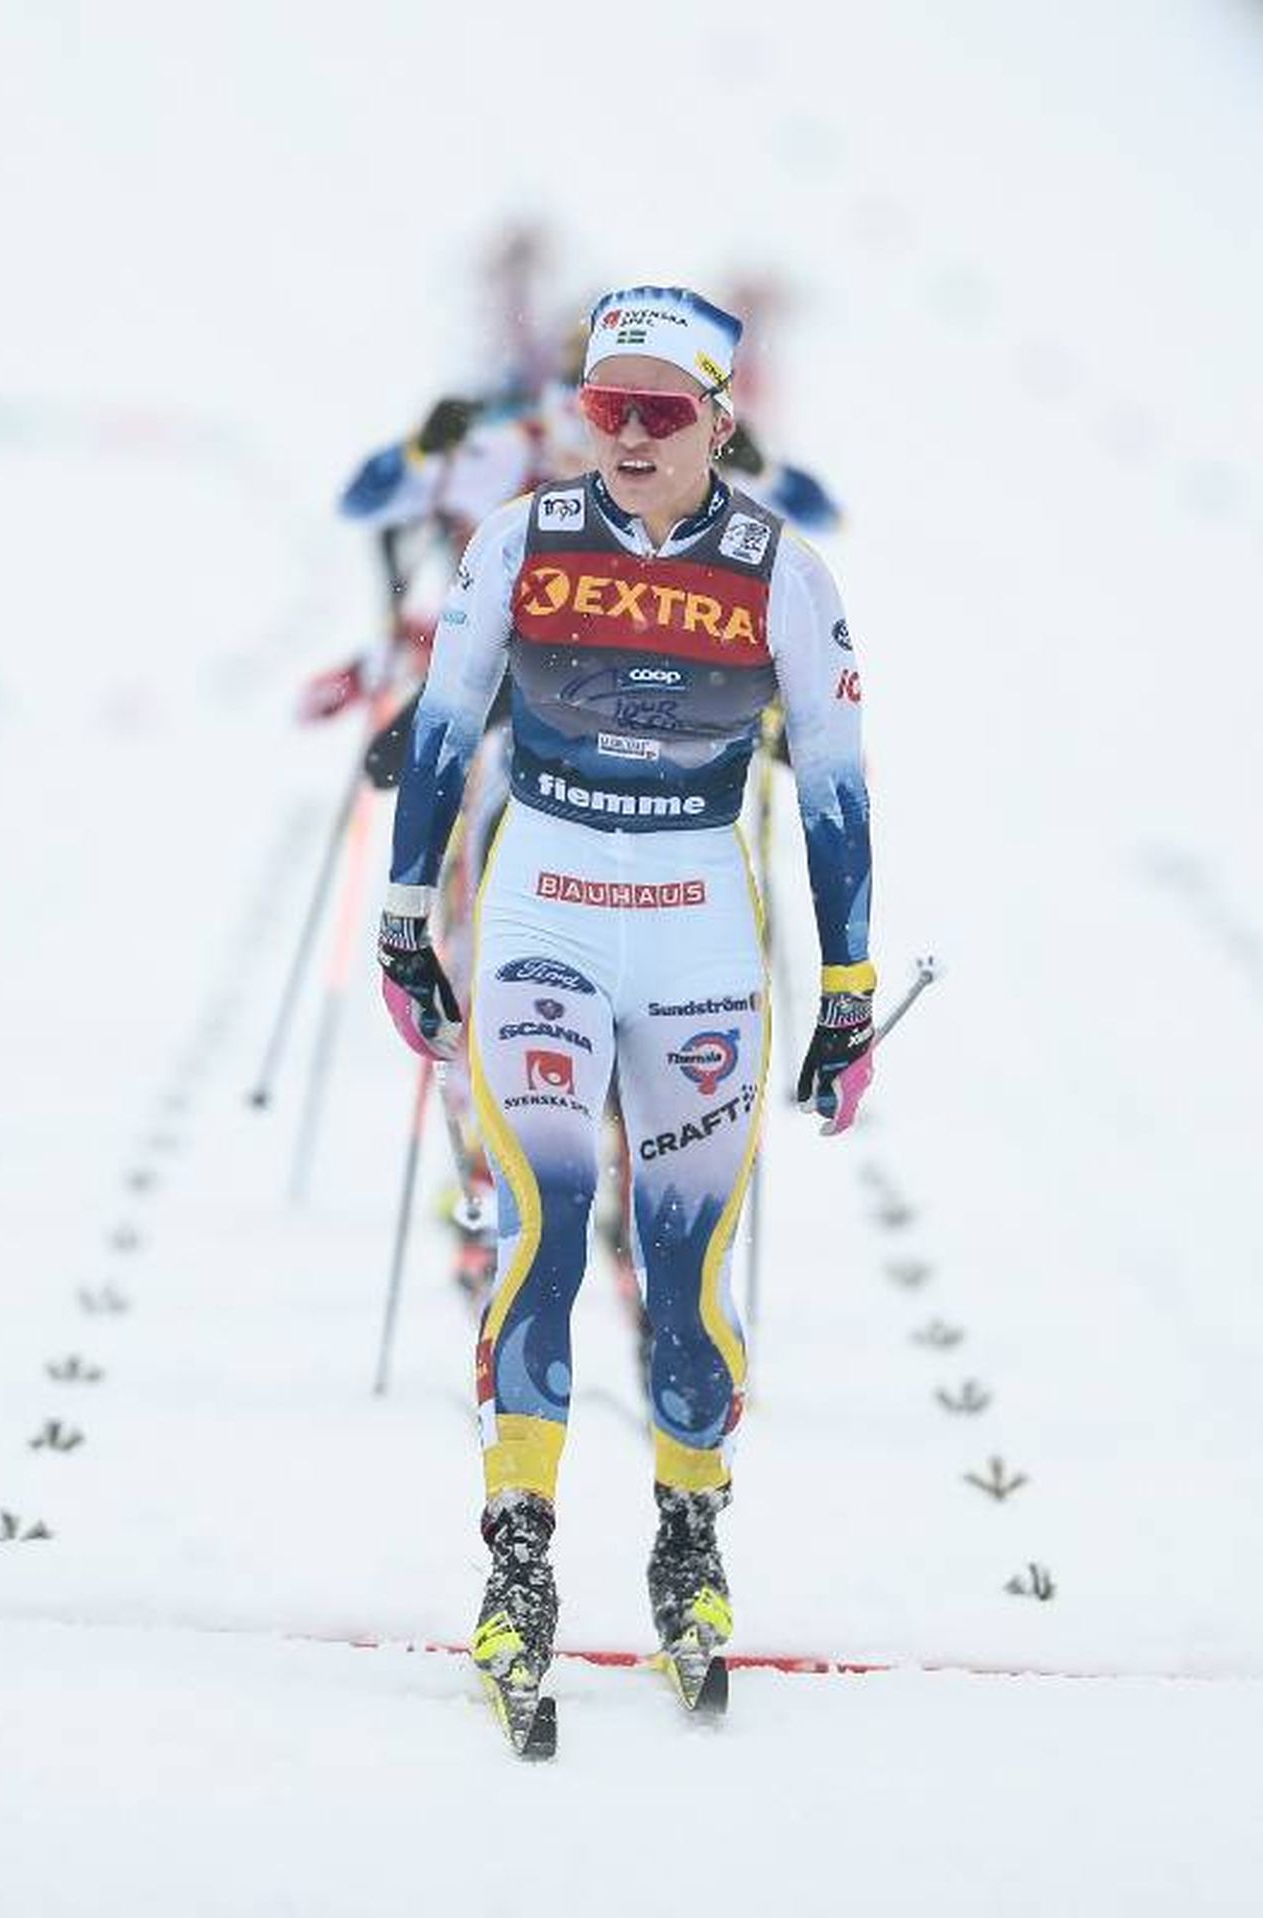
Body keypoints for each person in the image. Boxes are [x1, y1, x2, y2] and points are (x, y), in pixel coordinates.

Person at [376, 285, 879, 1740]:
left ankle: (688, 1536)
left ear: (722, 417)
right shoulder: (520, 538)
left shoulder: (784, 568)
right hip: (541, 903)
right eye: (611, 408)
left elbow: (840, 786)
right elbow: (447, 721)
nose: (636, 436)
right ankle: (519, 1561)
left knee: (686, 1268)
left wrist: (847, 990)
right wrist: (408, 920)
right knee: (538, 1218)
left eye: (666, 411)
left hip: (698, 930)